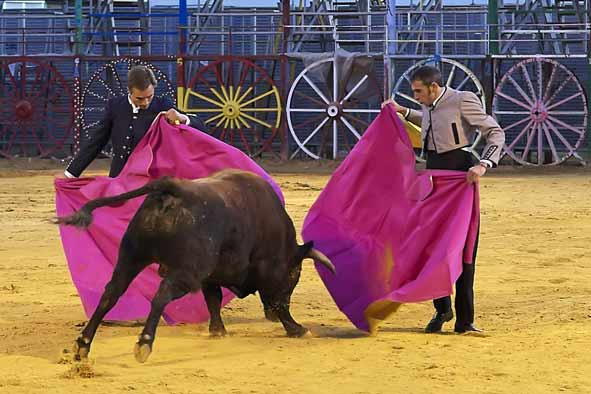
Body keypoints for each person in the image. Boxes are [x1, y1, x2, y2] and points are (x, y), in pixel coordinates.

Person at [382, 65, 505, 334]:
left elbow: (495, 131)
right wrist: (404, 112)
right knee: (429, 247)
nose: (416, 97)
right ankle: (443, 309)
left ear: (434, 87)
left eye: (418, 92)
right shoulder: (428, 104)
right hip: (433, 179)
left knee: (462, 250)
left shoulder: (463, 100)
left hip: (459, 177)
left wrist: (484, 163)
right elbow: (429, 120)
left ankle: (465, 321)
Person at [65, 65, 206, 178]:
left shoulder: (162, 105)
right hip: (120, 176)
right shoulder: (115, 107)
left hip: (150, 178)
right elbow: (96, 142)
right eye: (139, 98)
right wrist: (71, 173)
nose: (145, 102)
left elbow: (201, 128)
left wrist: (183, 118)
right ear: (129, 91)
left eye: (149, 96)